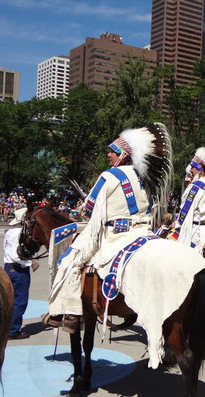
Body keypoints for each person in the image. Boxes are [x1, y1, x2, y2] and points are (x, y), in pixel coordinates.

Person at [45, 123, 172, 333]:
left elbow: (89, 208)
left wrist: (87, 206)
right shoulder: (143, 178)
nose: (108, 155)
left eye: (112, 152)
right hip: (142, 232)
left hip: (114, 235)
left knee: (69, 261)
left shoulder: (109, 176)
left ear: (122, 155)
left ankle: (69, 313)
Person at [4, 208, 39, 339]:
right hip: (19, 269)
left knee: (9, 300)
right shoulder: (19, 233)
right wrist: (31, 262)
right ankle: (13, 330)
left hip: (8, 267)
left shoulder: (8, 232)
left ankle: (7, 327)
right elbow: (16, 255)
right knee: (20, 301)